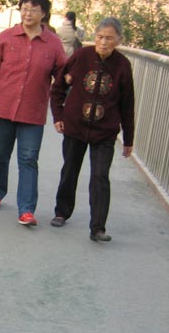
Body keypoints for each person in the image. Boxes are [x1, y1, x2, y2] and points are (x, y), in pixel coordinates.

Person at [0, 0, 66, 226]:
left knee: (28, 159)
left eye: (33, 10)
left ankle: (26, 209)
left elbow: (62, 74)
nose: (28, 14)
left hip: (33, 111)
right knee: (1, 154)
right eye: (24, 9)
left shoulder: (53, 43)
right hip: (4, 106)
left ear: (43, 13)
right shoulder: (6, 37)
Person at [49, 17, 135, 242]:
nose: (103, 42)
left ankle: (98, 227)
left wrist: (128, 139)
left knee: (100, 176)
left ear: (118, 40)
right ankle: (61, 212)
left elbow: (127, 104)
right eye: (100, 37)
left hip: (105, 131)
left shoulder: (123, 65)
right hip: (75, 125)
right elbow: (58, 87)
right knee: (70, 169)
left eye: (109, 38)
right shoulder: (81, 56)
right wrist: (58, 115)